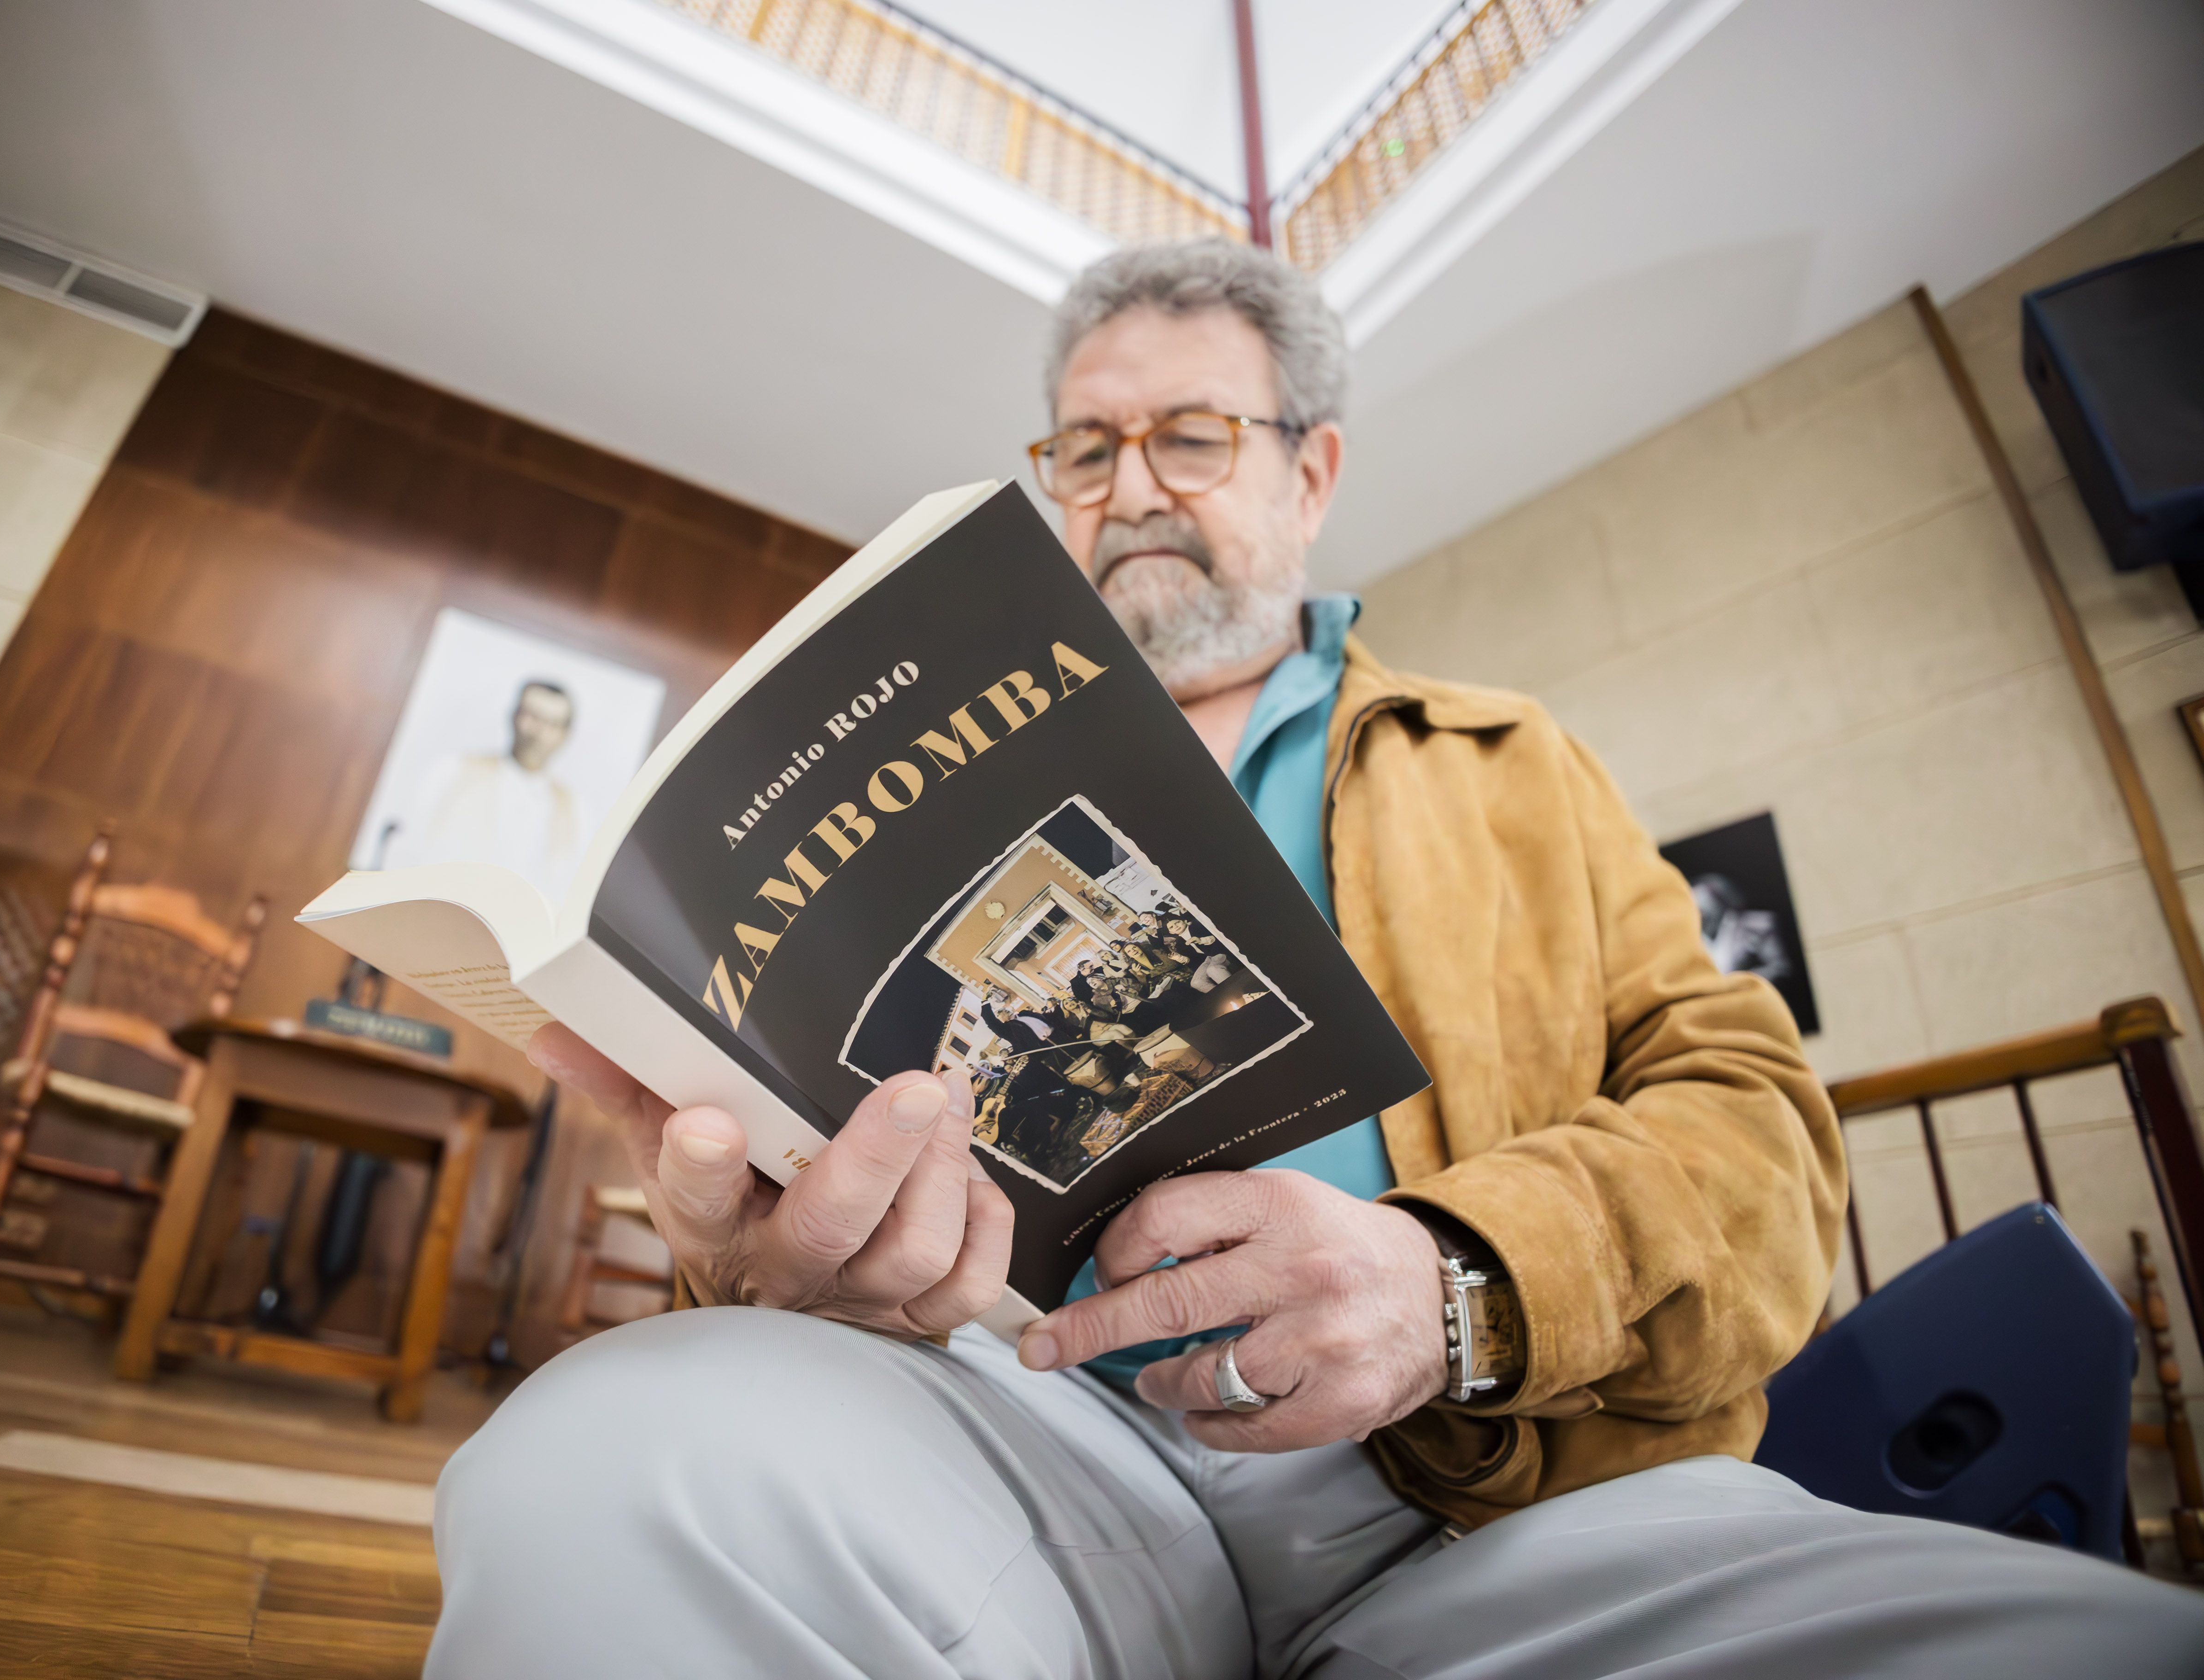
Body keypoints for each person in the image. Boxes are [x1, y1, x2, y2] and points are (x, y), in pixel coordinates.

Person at [427, 241, 2204, 1676]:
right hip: (1028, 1431)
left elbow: (1759, 1134)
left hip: (1501, 1489)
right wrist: (768, 1258)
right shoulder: (962, 770)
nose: (1132, 488)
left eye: (1191, 436)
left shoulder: (1506, 761)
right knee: (597, 1459)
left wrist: (1450, 1278)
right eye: (1083, 447)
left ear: (1310, 468)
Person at [392, 678, 580, 901]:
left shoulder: (572, 812)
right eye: (533, 717)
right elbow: (407, 852)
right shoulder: (455, 772)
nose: (538, 733)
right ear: (514, 716)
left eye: (552, 724)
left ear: (565, 734)